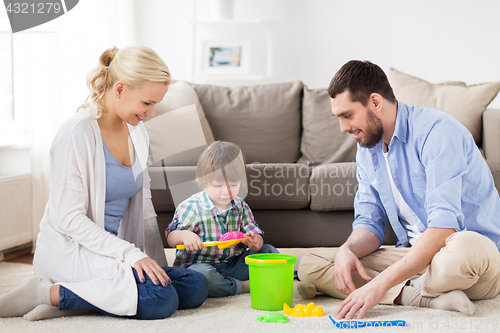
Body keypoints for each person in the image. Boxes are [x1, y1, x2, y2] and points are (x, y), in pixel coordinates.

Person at [0, 45, 208, 321]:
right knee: (161, 300)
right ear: (120, 89)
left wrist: (153, 265)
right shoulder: (76, 134)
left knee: (194, 287)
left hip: (113, 254)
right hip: (73, 252)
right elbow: (70, 219)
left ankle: (79, 299)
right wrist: (130, 255)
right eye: (147, 103)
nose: (153, 113)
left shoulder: (137, 133)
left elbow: (144, 212)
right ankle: (44, 293)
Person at [297, 60, 500, 320]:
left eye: (347, 115)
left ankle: (403, 289)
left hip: (469, 261)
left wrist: (377, 285)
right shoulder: (367, 150)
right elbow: (369, 223)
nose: (343, 128)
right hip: (414, 258)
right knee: (313, 264)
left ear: (375, 102)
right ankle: (422, 296)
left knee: (467, 247)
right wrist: (348, 250)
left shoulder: (437, 132)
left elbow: (443, 229)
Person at [166, 141, 279, 297]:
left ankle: (261, 279)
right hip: (201, 265)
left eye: (233, 184)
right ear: (203, 181)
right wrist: (184, 236)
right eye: (218, 185)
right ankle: (244, 287)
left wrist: (254, 242)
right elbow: (171, 238)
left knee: (269, 251)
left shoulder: (241, 206)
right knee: (202, 278)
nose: (226, 192)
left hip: (233, 263)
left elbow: (256, 240)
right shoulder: (191, 207)